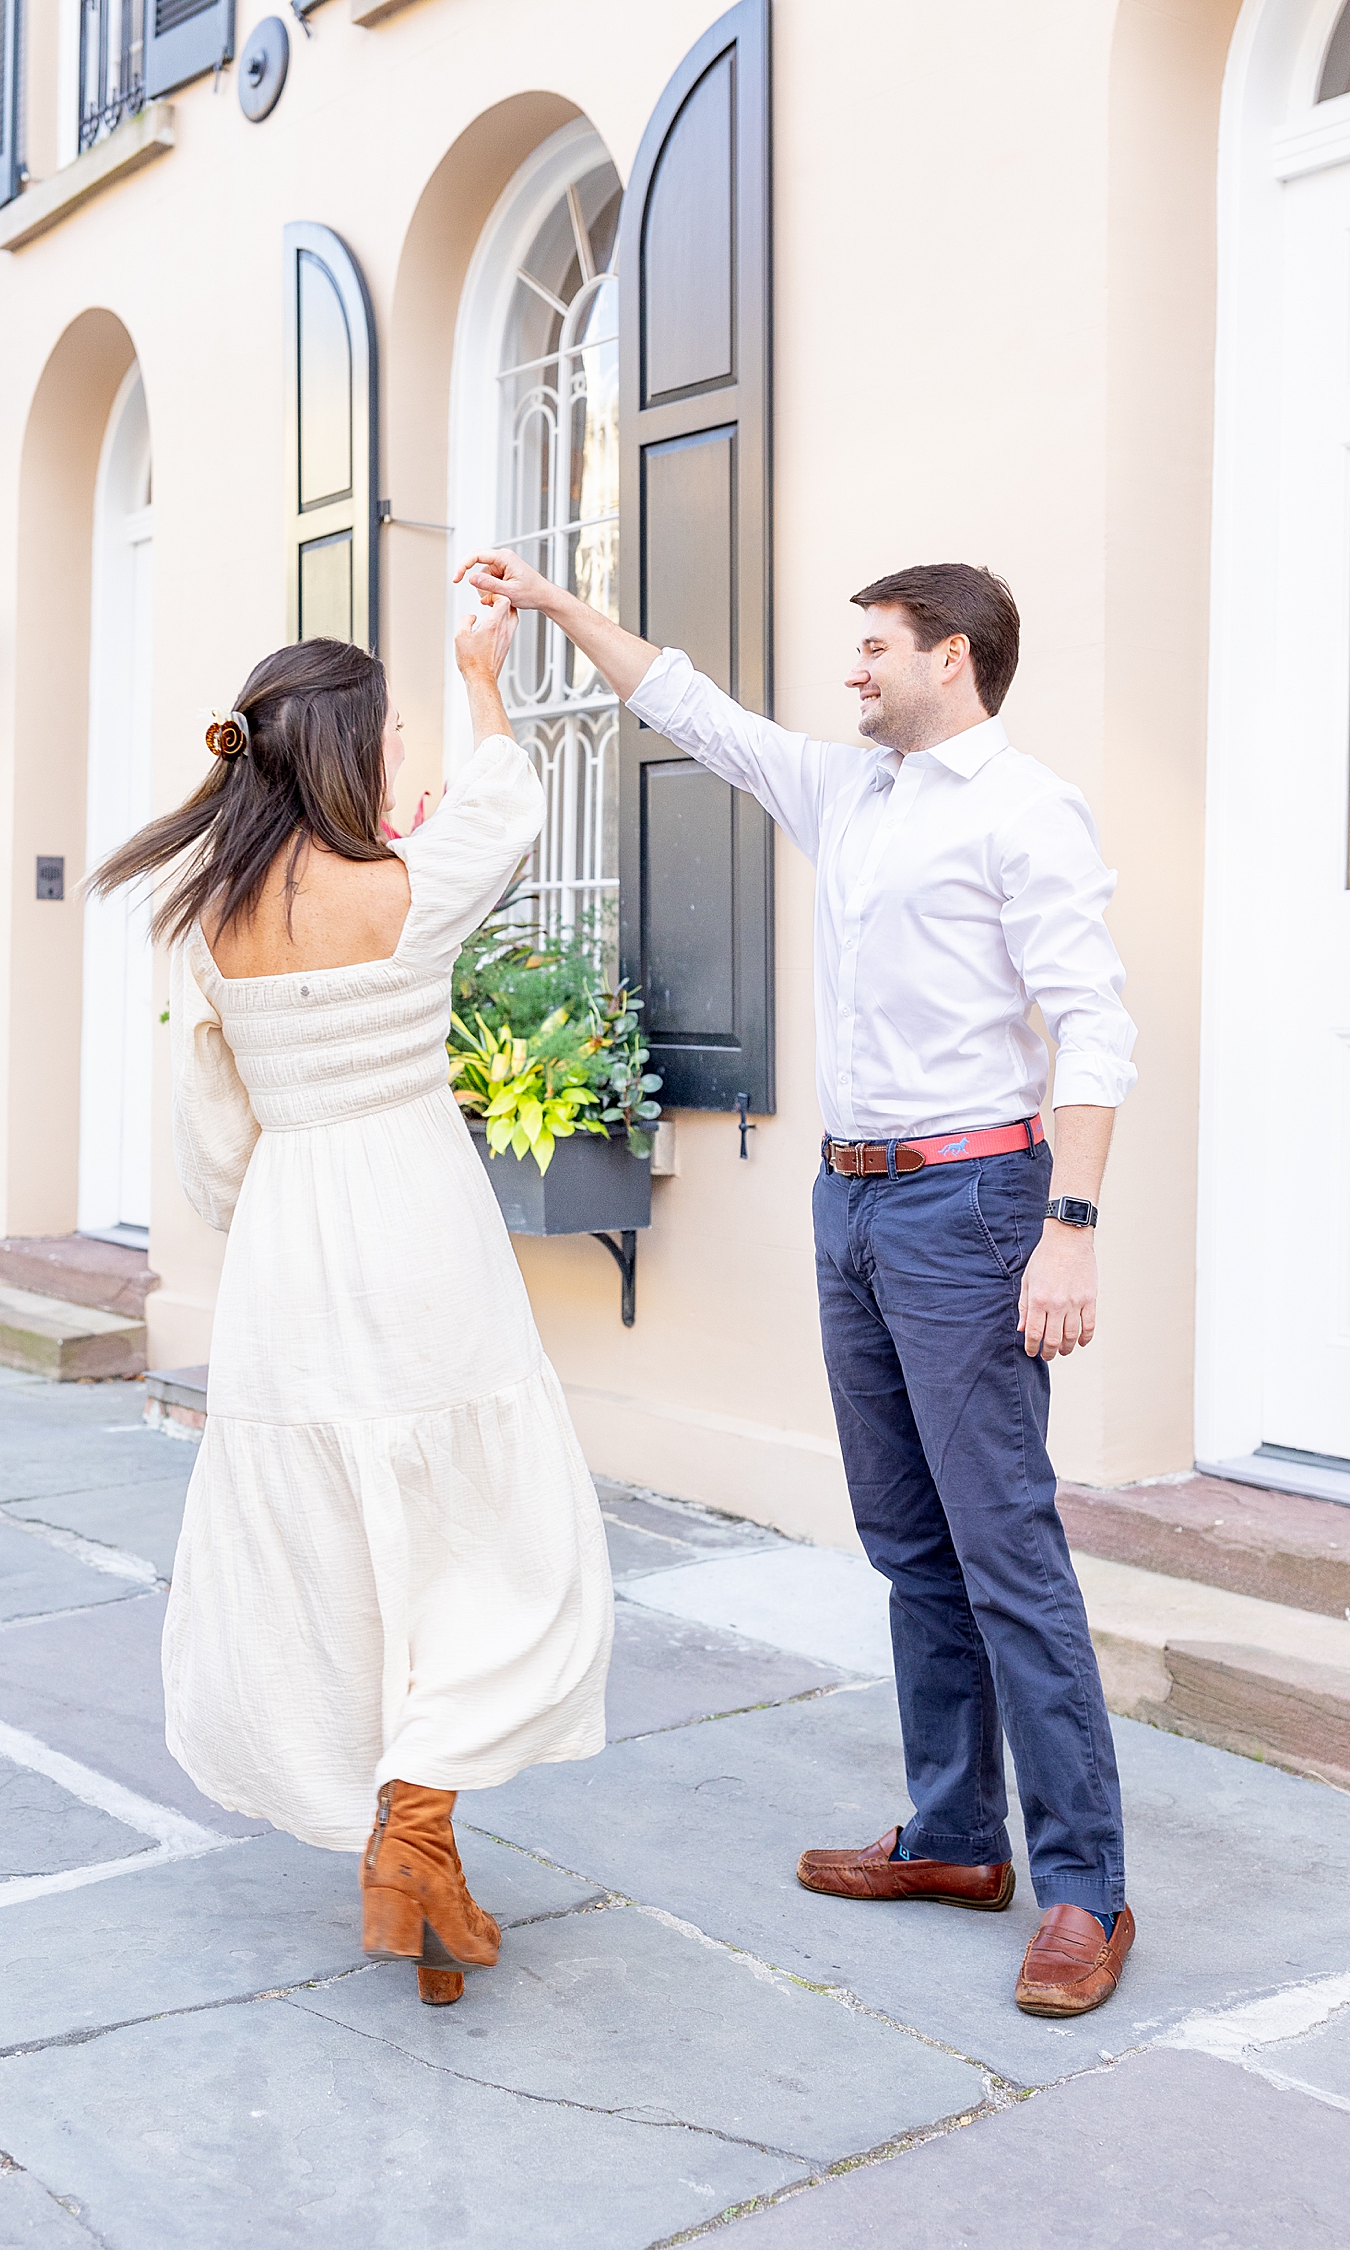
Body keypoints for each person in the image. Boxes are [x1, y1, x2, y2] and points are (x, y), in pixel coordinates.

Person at [453, 549, 1137, 2019]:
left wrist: (1068, 1225)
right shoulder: (855, 792)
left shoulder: (1029, 811)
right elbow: (697, 713)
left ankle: (1086, 1885)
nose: (855, 671)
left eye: (877, 646)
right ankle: (956, 1837)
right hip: (854, 1202)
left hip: (976, 1200)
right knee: (908, 1542)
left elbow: (1094, 1025)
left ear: (951, 656)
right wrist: (568, 614)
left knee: (1006, 1546)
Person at [91, 602, 613, 2009]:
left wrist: (266, 1207)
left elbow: (214, 1144)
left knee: (328, 1548)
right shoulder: (406, 883)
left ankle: (408, 1852)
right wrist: (484, 677)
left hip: (291, 1248)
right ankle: (419, 1832)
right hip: (419, 1230)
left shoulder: (206, 920)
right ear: (345, 753)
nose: (401, 756)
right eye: (388, 734)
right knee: (484, 1529)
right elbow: (506, 807)